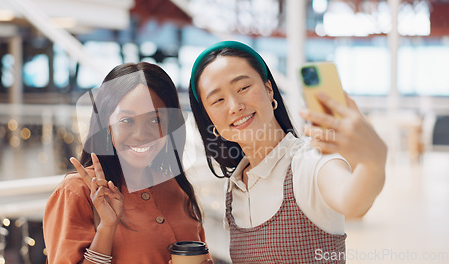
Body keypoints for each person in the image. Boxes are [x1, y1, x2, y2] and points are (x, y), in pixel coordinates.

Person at [188, 41, 387, 263]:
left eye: (243, 88)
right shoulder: (233, 189)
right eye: (218, 100)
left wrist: (374, 162)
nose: (234, 106)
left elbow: (353, 203)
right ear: (210, 119)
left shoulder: (309, 162)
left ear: (269, 89)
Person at [43, 62, 212, 264]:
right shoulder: (77, 192)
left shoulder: (176, 189)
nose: (142, 135)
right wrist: (106, 228)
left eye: (155, 120)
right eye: (127, 120)